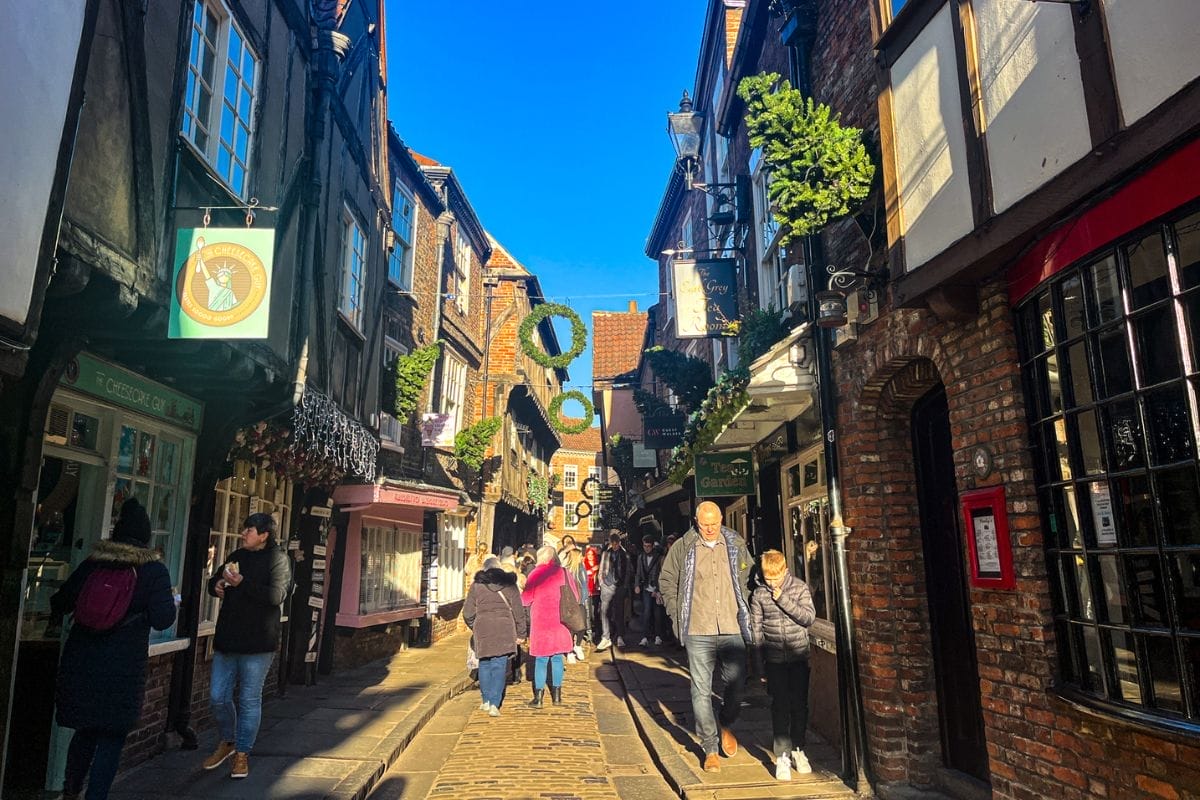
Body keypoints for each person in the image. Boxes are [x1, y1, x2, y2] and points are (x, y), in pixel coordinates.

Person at [50, 499, 177, 800]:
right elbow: (163, 619)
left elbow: (61, 600)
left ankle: (70, 791)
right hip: (122, 665)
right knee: (111, 737)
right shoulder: (153, 571)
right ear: (146, 537)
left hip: (83, 659)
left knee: (85, 731)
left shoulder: (94, 563)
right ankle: (96, 795)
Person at [659, 501, 753, 773]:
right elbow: (667, 581)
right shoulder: (684, 547)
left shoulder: (735, 544)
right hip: (698, 629)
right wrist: (675, 613)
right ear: (696, 522)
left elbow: (749, 576)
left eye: (714, 523)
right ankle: (709, 748)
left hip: (731, 626)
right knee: (700, 691)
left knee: (736, 687)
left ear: (721, 519)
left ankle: (725, 721)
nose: (710, 529)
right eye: (704, 524)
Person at [203, 513, 292, 779]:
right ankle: (229, 740)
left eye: (249, 530)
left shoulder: (278, 560)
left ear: (264, 535)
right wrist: (217, 584)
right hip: (228, 637)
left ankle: (242, 753)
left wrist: (243, 584)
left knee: (248, 699)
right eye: (244, 529)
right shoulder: (237, 555)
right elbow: (214, 581)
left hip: (258, 641)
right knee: (218, 697)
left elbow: (277, 596)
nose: (244, 534)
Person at [750, 549, 816, 780]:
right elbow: (756, 632)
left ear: (785, 571)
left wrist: (783, 599)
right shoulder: (759, 595)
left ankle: (798, 749)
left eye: (776, 578)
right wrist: (758, 668)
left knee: (799, 705)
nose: (772, 583)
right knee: (779, 706)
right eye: (768, 578)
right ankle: (782, 756)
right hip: (774, 659)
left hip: (798, 656)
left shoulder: (799, 588)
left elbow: (808, 618)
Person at [464, 557, 527, 717]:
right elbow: (519, 612)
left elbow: (468, 613)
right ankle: (494, 703)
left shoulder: (476, 586)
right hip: (504, 628)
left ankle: (485, 700)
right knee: (499, 665)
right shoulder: (510, 585)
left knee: (484, 663)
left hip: (483, 626)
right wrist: (521, 633)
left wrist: (475, 625)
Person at [521, 546, 579, 707]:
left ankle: (539, 698)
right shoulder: (565, 573)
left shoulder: (536, 574)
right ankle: (557, 696)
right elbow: (576, 595)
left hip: (541, 621)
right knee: (557, 658)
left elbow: (525, 599)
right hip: (561, 620)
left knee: (541, 659)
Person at [596, 531, 631, 650]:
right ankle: (606, 637)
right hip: (607, 584)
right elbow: (601, 568)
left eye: (616, 543)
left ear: (619, 543)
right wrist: (601, 582)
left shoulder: (624, 554)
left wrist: (625, 586)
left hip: (619, 585)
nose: (614, 545)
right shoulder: (606, 553)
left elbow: (628, 571)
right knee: (604, 611)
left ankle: (620, 636)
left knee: (619, 612)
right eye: (613, 543)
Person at [559, 538, 588, 662]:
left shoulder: (582, 569)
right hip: (570, 602)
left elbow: (585, 584)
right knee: (570, 627)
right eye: (580, 556)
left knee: (582, 627)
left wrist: (585, 598)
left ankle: (577, 646)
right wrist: (565, 551)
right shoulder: (566, 569)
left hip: (580, 601)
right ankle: (569, 650)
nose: (582, 558)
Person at [633, 534, 665, 647]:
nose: (646, 548)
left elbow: (661, 574)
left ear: (652, 546)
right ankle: (644, 636)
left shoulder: (659, 557)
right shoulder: (641, 557)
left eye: (648, 546)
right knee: (646, 612)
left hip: (656, 588)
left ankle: (658, 636)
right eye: (645, 546)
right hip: (646, 588)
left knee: (657, 614)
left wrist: (658, 589)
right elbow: (638, 573)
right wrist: (637, 585)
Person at [582, 544, 601, 642]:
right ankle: (589, 632)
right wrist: (589, 571)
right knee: (587, 612)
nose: (590, 556)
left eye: (591, 554)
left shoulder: (598, 564)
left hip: (596, 591)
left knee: (595, 613)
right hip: (587, 591)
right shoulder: (583, 564)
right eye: (588, 554)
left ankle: (597, 631)